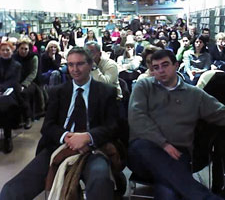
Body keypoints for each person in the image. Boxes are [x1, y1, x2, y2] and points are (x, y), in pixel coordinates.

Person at [0, 47, 119, 200]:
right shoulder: (58, 91)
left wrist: (87, 137)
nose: (74, 69)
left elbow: (113, 127)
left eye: (80, 64)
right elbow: (48, 126)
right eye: (70, 65)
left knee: (100, 182)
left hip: (93, 149)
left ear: (90, 65)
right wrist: (67, 137)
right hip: (59, 147)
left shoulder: (106, 91)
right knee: (11, 191)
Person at [128, 49, 225, 200]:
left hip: (178, 154)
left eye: (165, 65)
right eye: (156, 67)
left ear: (176, 65)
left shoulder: (194, 94)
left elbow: (220, 113)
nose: (160, 70)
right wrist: (164, 144)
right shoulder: (144, 86)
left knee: (168, 192)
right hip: (144, 152)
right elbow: (137, 118)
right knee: (142, 146)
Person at [0, 42, 21, 153]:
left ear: (12, 51)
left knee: (5, 106)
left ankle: (7, 137)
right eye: (2, 50)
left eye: (7, 50)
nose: (5, 52)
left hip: (11, 91)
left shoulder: (16, 65)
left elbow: (14, 81)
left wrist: (1, 89)